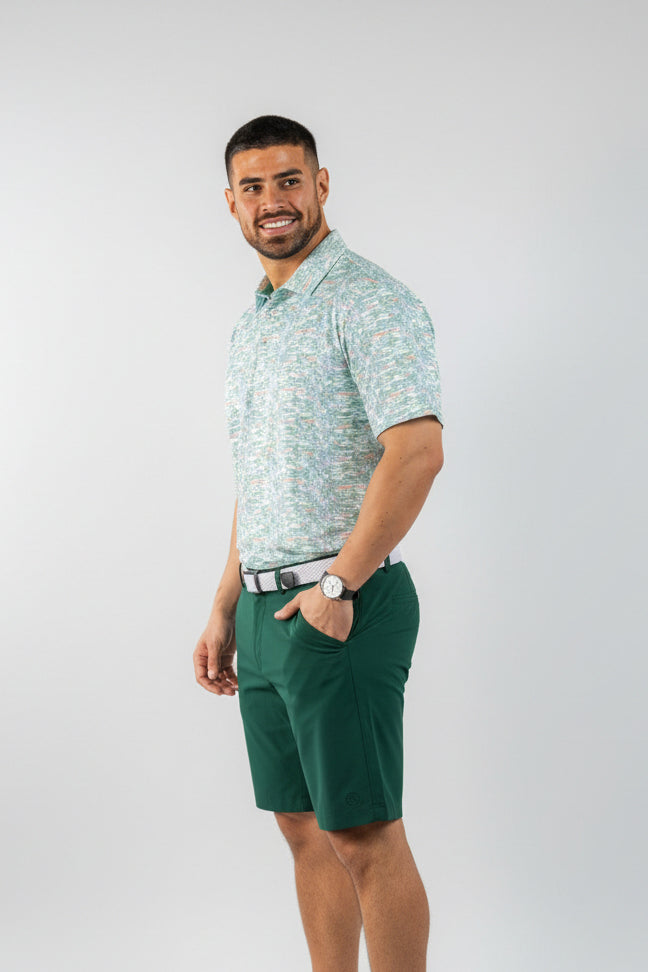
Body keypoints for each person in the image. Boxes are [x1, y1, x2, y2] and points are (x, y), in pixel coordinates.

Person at [193, 114, 445, 972]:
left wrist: (338, 589)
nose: (273, 201)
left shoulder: (369, 301)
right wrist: (225, 605)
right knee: (302, 828)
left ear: (321, 184)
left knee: (363, 833)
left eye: (289, 181)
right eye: (254, 187)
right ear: (231, 202)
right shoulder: (255, 324)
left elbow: (417, 453)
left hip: (343, 604)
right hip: (267, 613)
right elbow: (259, 476)